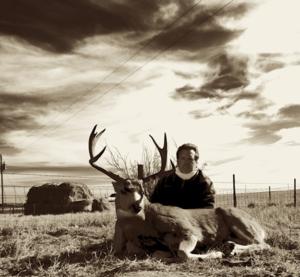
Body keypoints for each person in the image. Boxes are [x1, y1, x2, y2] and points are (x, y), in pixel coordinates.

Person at [150, 143, 215, 209]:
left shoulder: (205, 183)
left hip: (194, 219)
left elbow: (207, 210)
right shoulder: (164, 182)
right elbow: (154, 206)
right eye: (183, 158)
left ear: (196, 161)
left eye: (190, 159)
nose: (186, 162)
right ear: (178, 161)